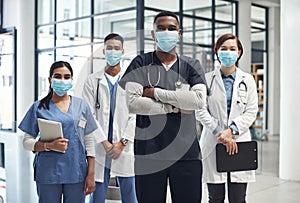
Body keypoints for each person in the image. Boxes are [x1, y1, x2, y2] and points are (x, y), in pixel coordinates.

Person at [119, 11, 207, 203]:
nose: (166, 32)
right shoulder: (140, 63)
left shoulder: (191, 65)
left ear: (179, 33)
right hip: (149, 154)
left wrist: (155, 93)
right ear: (153, 34)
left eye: (171, 28)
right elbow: (133, 104)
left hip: (186, 154)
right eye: (161, 28)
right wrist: (175, 106)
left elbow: (199, 100)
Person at [18, 61, 98, 203]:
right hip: (48, 172)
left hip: (77, 172)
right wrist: (48, 146)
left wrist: (91, 174)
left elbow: (89, 140)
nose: (62, 80)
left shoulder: (81, 106)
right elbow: (26, 142)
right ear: (50, 80)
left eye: (67, 77)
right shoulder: (39, 107)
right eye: (58, 76)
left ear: (71, 80)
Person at [196, 33, 258, 202]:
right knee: (215, 197)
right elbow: (200, 110)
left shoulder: (248, 80)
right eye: (224, 49)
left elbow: (252, 111)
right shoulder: (206, 79)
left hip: (239, 141)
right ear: (217, 51)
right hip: (213, 141)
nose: (228, 52)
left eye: (232, 49)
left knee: (238, 198)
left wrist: (231, 131)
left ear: (239, 52)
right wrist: (220, 133)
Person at [82, 33, 137, 203]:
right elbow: (88, 114)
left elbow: (136, 115)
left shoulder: (132, 82)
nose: (113, 52)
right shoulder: (92, 81)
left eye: (117, 48)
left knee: (130, 195)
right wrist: (104, 142)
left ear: (122, 52)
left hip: (124, 147)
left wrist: (122, 142)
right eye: (109, 48)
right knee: (97, 197)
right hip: (100, 147)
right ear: (104, 51)